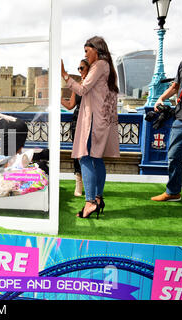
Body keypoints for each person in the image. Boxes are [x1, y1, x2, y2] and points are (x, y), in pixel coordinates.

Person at [61, 36, 120, 219]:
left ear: (96, 49)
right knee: (97, 159)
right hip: (102, 120)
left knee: (84, 157)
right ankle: (98, 198)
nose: (85, 55)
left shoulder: (99, 65)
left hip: (93, 120)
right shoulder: (107, 67)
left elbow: (82, 90)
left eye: (87, 50)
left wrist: (64, 75)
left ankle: (90, 203)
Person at [151, 32, 182, 202]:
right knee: (174, 156)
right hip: (181, 118)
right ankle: (173, 192)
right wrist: (161, 98)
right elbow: (175, 86)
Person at [61, 59, 91, 197]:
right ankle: (78, 182)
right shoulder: (77, 85)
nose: (80, 71)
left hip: (91, 121)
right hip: (76, 121)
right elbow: (70, 105)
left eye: (82, 68)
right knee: (77, 153)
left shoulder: (94, 85)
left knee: (90, 152)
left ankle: (90, 183)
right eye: (78, 68)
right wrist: (58, 97)